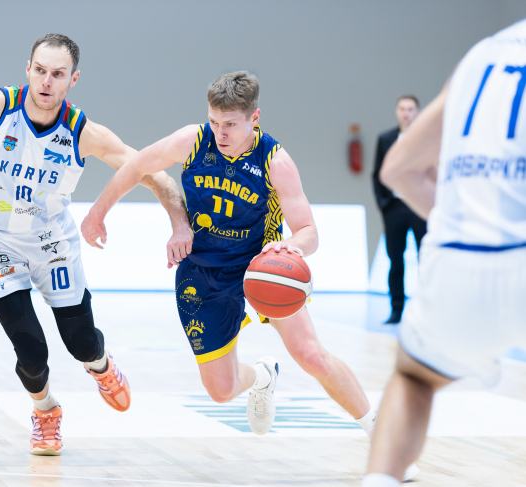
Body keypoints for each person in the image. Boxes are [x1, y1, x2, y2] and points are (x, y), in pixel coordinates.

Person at [81, 71, 417, 480]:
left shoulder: (275, 161)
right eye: (214, 121)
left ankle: (385, 442)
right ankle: (262, 376)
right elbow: (137, 165)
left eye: (230, 124)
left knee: (311, 355)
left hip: (260, 268)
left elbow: (309, 231)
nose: (220, 133)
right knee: (221, 391)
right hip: (203, 271)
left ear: (254, 118)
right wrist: (98, 212)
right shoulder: (193, 140)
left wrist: (289, 247)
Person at [0, 34, 190, 456]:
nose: (46, 81)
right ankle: (46, 410)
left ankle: (101, 365)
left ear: (73, 79)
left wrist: (179, 224)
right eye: (40, 70)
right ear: (28, 69)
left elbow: (154, 173)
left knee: (82, 343)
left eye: (57, 74)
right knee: (32, 353)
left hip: (51, 242)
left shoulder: (84, 132)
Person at [363, 19, 526, 486]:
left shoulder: (480, 57)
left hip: (457, 260)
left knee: (414, 377)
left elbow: (397, 171)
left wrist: (469, 221)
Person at [372, 95, 427, 324]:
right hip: (394, 207)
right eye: (402, 109)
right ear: (397, 111)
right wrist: (383, 205)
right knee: (395, 260)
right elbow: (377, 173)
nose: (406, 113)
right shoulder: (386, 139)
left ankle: (425, 310)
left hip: (419, 206)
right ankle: (396, 309)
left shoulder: (426, 138)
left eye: (410, 109)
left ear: (417, 111)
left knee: (426, 258)